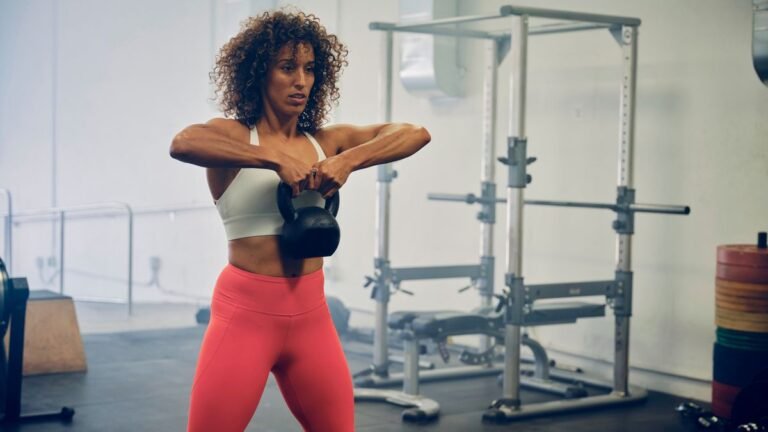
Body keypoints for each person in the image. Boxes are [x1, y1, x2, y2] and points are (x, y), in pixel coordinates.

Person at [169, 9, 431, 432]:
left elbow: (415, 132)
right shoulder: (237, 138)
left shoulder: (324, 141)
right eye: (287, 67)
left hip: (311, 315)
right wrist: (274, 158)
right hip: (245, 316)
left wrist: (347, 160)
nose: (301, 81)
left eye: (310, 69)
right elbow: (183, 143)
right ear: (259, 74)